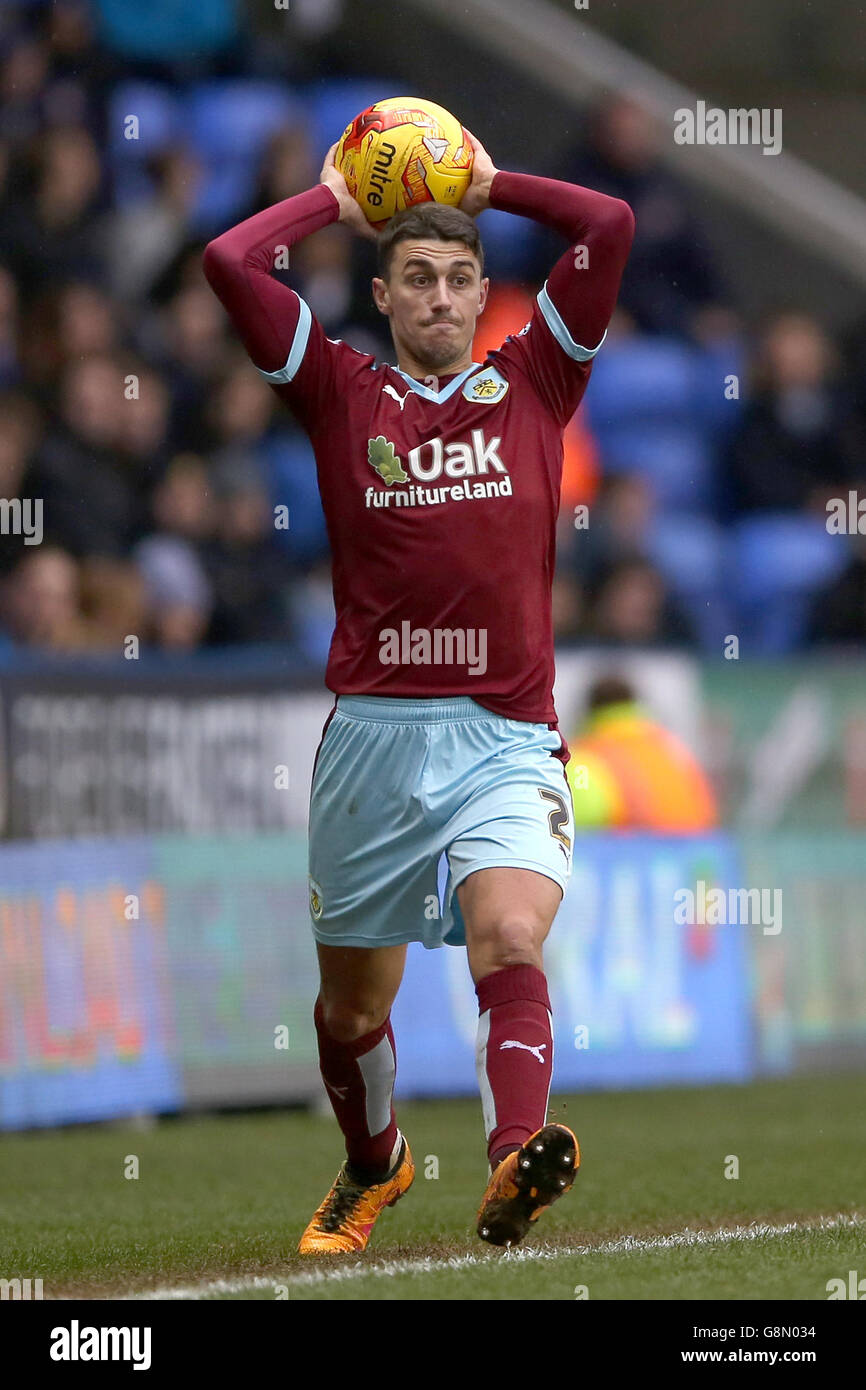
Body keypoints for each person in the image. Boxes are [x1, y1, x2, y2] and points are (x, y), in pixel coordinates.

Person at [203, 130, 634, 1253]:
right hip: (372, 744)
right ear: (384, 296)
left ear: (482, 294)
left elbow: (608, 226)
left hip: (505, 737)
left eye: (457, 278)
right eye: (417, 279)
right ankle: (373, 1162)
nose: (440, 297)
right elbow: (226, 264)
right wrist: (327, 202)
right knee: (349, 1011)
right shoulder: (341, 392)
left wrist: (491, 189)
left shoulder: (538, 376)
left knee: (508, 941)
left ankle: (511, 1162)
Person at [566, 675, 718, 831]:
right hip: (700, 850)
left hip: (629, 852)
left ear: (586, 712)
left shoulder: (583, 757)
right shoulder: (671, 748)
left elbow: (581, 821)